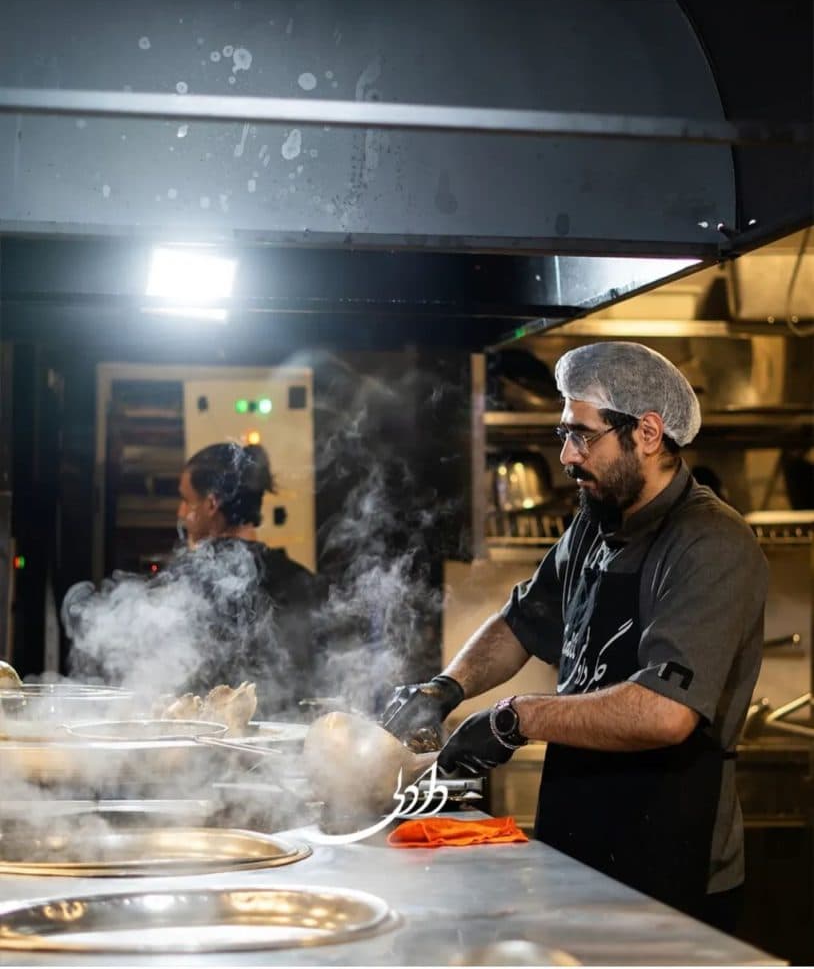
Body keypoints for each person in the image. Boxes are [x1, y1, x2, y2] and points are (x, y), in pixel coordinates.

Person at [381, 342, 768, 933]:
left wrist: (515, 719)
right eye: (564, 433)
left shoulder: (710, 542)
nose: (566, 454)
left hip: (669, 861)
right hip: (578, 844)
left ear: (646, 432)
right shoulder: (595, 520)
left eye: (582, 435)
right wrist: (445, 688)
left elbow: (667, 714)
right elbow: (522, 622)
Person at [63, 442, 326, 715]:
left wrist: (76, 602)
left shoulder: (187, 580)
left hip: (210, 748)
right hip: (288, 745)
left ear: (211, 504)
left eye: (186, 500)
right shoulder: (301, 579)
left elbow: (114, 633)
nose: (180, 512)